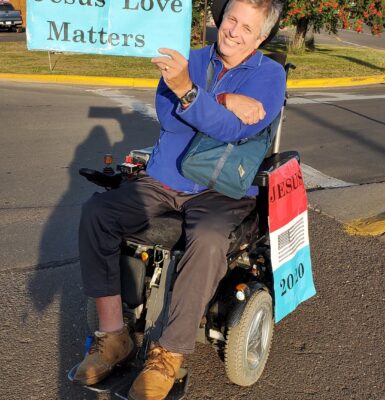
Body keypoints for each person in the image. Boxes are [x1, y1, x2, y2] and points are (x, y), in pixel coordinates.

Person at [73, 0, 286, 399]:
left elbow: (231, 131)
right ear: (220, 18)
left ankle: (167, 355)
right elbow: (169, 116)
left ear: (261, 36)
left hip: (221, 188)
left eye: (246, 27)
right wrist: (217, 98)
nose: (234, 30)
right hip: (165, 179)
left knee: (207, 238)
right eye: (231, 19)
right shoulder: (190, 57)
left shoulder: (270, 76)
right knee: (97, 213)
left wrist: (191, 93)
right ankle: (114, 335)